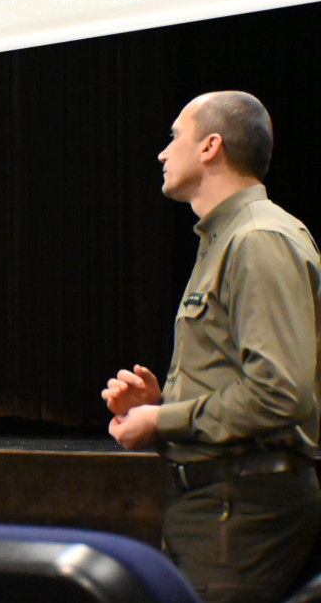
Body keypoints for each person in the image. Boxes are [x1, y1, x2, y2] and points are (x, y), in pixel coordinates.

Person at [102, 91, 321, 602]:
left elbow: (280, 395)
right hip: (219, 504)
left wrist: (161, 420)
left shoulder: (257, 239)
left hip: (243, 507)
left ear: (210, 146)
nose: (162, 152)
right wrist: (162, 406)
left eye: (175, 135)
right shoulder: (224, 240)